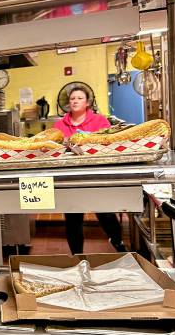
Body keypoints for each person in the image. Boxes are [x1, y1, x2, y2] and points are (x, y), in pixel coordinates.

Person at [53, 84, 127, 254]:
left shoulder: (100, 121)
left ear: (87, 102)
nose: (75, 101)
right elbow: (54, 148)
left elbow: (109, 143)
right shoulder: (59, 125)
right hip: (70, 179)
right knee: (73, 219)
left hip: (96, 176)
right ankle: (77, 256)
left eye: (79, 98)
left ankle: (118, 243)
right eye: (72, 99)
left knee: (106, 214)